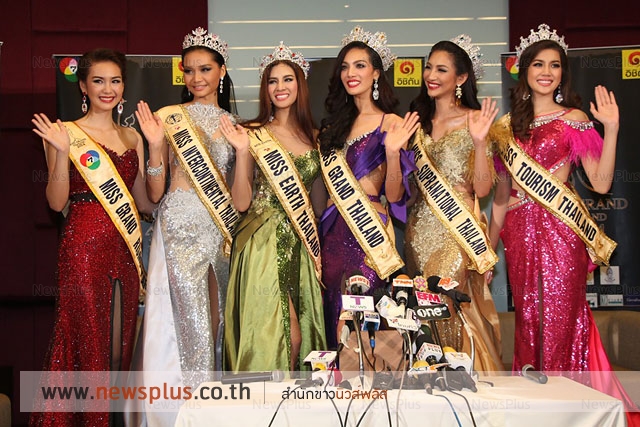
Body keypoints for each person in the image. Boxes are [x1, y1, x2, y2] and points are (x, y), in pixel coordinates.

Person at [489, 23, 639, 423]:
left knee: (560, 315)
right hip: (519, 234)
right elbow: (500, 198)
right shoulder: (506, 128)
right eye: (538, 64)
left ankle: (568, 410)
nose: (546, 72)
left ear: (562, 73)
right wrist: (487, 249)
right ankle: (531, 410)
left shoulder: (574, 118)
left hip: (561, 230)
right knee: (529, 320)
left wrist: (611, 128)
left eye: (554, 65)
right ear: (524, 70)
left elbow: (601, 183)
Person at [30, 48, 155, 426]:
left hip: (124, 248)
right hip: (82, 247)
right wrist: (60, 152)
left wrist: (156, 149)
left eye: (115, 81)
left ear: (124, 86)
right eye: (98, 81)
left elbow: (145, 203)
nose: (108, 89)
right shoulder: (64, 133)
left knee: (118, 350)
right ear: (83, 86)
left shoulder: (132, 136)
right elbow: (56, 202)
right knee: (86, 345)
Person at [131, 27, 238, 425]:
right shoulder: (167, 118)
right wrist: (156, 146)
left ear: (221, 71)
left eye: (205, 69)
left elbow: (237, 193)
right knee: (181, 321)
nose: (196, 78)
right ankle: (180, 413)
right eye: (189, 71)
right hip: (178, 226)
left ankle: (211, 410)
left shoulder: (236, 125)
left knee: (216, 320)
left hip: (219, 229)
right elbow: (155, 191)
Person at [220, 42, 327, 372]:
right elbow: (241, 202)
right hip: (262, 243)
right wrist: (242, 152)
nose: (280, 87)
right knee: (282, 337)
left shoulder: (315, 137)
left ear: (300, 85)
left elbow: (318, 206)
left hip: (301, 243)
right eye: (272, 81)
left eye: (287, 79)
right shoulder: (252, 134)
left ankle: (292, 399)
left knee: (302, 337)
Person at [404, 35, 504, 372]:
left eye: (441, 70)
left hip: (456, 231)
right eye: (429, 67)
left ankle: (460, 379)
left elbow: (483, 188)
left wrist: (480, 143)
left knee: (447, 304)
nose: (431, 75)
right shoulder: (416, 123)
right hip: (418, 232)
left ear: (461, 78)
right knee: (422, 309)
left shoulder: (474, 120)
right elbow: (408, 190)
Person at [319, 26, 420, 349]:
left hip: (369, 233)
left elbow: (396, 196)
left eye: (360, 65)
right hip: (333, 233)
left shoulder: (392, 123)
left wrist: (391, 153)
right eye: (345, 67)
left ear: (376, 72)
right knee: (334, 312)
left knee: (363, 315)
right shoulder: (332, 128)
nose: (351, 73)